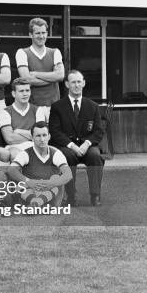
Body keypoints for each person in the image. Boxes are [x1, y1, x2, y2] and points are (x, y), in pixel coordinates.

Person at [49, 70, 105, 206]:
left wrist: (86, 144)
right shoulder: (57, 107)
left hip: (87, 146)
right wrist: (72, 146)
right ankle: (71, 196)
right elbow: (55, 131)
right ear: (67, 84)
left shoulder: (93, 106)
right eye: (73, 82)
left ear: (84, 83)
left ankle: (95, 195)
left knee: (95, 156)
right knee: (67, 157)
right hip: (67, 146)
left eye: (79, 82)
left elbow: (98, 131)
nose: (76, 85)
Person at [7, 121, 72, 208]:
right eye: (38, 136)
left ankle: (36, 204)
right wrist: (28, 181)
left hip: (51, 194)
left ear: (49, 136)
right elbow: (11, 170)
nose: (42, 139)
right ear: (32, 138)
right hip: (31, 192)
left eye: (44, 135)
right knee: (20, 184)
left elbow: (68, 174)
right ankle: (36, 203)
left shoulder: (56, 153)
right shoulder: (25, 153)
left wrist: (52, 183)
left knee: (56, 178)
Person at [15, 17, 64, 110]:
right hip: (32, 107)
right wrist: (52, 78)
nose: (41, 36)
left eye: (43, 33)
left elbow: (60, 75)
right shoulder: (22, 52)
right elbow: (26, 79)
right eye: (37, 33)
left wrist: (36, 74)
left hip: (54, 106)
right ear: (30, 35)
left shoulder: (55, 52)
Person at [0, 78, 48, 156]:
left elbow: (43, 136)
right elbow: (10, 139)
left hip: (36, 147)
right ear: (13, 94)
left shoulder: (38, 110)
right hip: (14, 147)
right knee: (15, 154)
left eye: (27, 90)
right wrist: (33, 136)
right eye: (21, 91)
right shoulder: (5, 112)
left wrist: (19, 131)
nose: (25, 94)